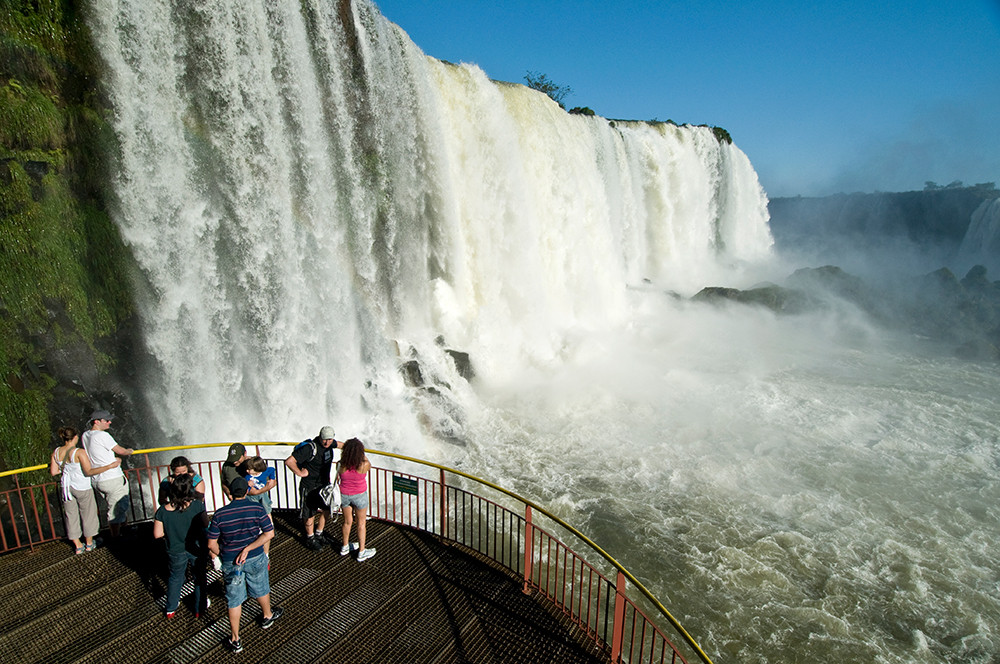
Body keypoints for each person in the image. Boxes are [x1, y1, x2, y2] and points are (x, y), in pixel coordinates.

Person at [207, 476, 283, 653]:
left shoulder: (220, 514)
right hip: (255, 557)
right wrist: (249, 548)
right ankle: (267, 616)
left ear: (230, 494)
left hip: (231, 562)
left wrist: (226, 555)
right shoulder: (256, 508)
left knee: (234, 600)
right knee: (261, 586)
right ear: (247, 491)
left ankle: (235, 639)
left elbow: (211, 544)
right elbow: (269, 533)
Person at [49, 425, 121, 554]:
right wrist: (110, 466)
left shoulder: (56, 452)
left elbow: (54, 472)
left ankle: (78, 546)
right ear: (75, 437)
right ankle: (89, 544)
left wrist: (67, 470)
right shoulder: (79, 452)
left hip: (66, 488)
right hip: (81, 486)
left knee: (71, 515)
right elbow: (89, 471)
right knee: (88, 514)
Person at [153, 474, 209, 619]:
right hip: (196, 548)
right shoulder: (197, 505)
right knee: (199, 577)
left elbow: (157, 534)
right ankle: (199, 609)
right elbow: (205, 524)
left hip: (175, 550)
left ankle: (171, 609)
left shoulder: (163, 511)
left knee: (175, 578)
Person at [284, 426, 342, 550]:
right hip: (309, 486)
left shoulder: (331, 444)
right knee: (309, 512)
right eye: (324, 440)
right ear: (320, 437)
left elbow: (342, 445)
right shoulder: (310, 448)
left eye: (330, 440)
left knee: (327, 508)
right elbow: (289, 461)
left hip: (324, 484)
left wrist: (355, 449)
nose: (327, 443)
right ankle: (310, 538)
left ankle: (319, 534)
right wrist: (300, 473)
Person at [81, 409, 134, 538]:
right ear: (97, 421)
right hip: (112, 478)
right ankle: (116, 537)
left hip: (97, 479)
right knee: (116, 509)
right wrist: (129, 451)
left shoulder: (86, 435)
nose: (109, 422)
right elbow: (120, 450)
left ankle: (124, 530)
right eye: (106, 420)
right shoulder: (103, 435)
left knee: (116, 505)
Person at [337, 438, 376, 562]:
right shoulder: (364, 465)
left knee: (347, 522)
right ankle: (361, 551)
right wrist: (360, 453)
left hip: (344, 495)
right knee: (361, 523)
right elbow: (368, 463)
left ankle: (344, 547)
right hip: (359, 495)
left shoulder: (341, 464)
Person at [244, 456, 276, 559]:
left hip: (262, 494)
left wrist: (272, 479)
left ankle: (270, 523)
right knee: (256, 507)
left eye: (250, 469)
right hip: (253, 496)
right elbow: (248, 489)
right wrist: (249, 485)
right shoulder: (248, 477)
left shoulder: (265, 472)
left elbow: (272, 470)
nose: (247, 471)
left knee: (266, 505)